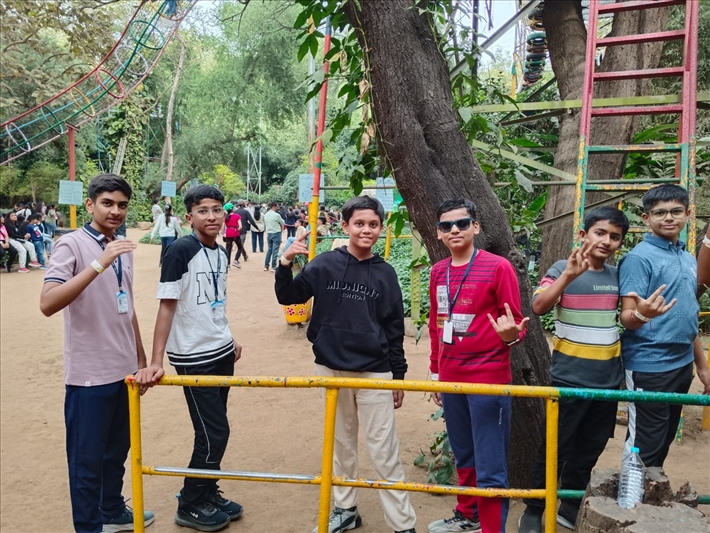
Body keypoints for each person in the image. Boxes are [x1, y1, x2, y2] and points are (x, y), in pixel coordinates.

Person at [275, 195, 417, 533]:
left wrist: (398, 375)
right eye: (359, 223)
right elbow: (289, 297)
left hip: (374, 371)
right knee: (341, 445)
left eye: (373, 224)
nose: (366, 230)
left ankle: (402, 524)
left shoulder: (385, 274)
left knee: (384, 451)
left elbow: (394, 328)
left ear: (381, 229)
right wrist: (285, 262)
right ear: (346, 226)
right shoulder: (324, 264)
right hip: (331, 369)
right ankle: (345, 509)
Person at [39, 173, 155, 533]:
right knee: (86, 463)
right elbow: (48, 303)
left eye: (122, 205)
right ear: (90, 205)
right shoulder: (71, 245)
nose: (115, 211)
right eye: (107, 203)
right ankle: (89, 527)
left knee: (116, 452)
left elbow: (127, 306)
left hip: (124, 371)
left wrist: (140, 359)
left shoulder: (121, 246)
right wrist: (98, 263)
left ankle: (112, 510)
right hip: (89, 376)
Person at [135, 184, 243, 532]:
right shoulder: (181, 250)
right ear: (189, 216)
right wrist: (156, 361)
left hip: (220, 350)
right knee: (215, 432)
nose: (211, 216)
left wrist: (229, 336)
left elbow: (215, 301)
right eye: (203, 211)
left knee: (212, 429)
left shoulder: (220, 252)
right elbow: (167, 306)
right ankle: (190, 501)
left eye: (216, 209)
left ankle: (208, 491)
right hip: (194, 355)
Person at [518, 207, 632, 533]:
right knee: (554, 448)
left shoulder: (617, 276)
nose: (606, 241)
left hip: (607, 381)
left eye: (614, 237)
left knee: (589, 448)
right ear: (583, 235)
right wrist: (568, 276)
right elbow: (538, 307)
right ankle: (534, 509)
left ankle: (569, 507)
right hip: (569, 379)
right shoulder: (560, 269)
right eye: (600, 233)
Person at [428, 198, 528, 533]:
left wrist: (512, 335)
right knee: (464, 452)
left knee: (490, 460)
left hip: (488, 378)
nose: (454, 230)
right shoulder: (438, 271)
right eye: (446, 225)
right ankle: (468, 514)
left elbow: (516, 323)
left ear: (476, 226)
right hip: (450, 377)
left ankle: (491, 528)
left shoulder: (498, 267)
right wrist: (436, 371)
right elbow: (436, 324)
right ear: (439, 233)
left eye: (462, 223)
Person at [618, 184, 710, 468]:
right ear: (646, 218)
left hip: (681, 364)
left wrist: (702, 367)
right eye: (660, 213)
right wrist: (642, 314)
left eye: (676, 211)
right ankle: (630, 494)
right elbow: (627, 317)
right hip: (649, 365)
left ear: (688, 214)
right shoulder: (638, 259)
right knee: (643, 442)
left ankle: (650, 491)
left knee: (664, 438)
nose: (668, 218)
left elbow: (688, 317)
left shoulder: (686, 258)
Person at [263, 201, 284, 272]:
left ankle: (266, 266)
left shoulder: (266, 215)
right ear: (274, 206)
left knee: (269, 250)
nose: (278, 208)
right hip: (276, 233)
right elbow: (282, 222)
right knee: (275, 251)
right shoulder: (276, 215)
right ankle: (273, 266)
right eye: (277, 206)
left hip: (269, 233)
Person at [221, 203, 243, 268]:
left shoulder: (225, 217)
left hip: (228, 233)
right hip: (235, 233)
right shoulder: (237, 216)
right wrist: (237, 230)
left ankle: (228, 265)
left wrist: (223, 234)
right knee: (240, 247)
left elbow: (222, 227)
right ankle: (236, 260)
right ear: (232, 209)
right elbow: (240, 226)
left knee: (228, 249)